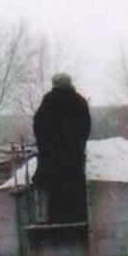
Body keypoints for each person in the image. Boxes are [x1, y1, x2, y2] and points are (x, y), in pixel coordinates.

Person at [32, 73, 91, 223]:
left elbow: (38, 127)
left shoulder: (48, 102)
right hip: (74, 156)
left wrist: (46, 147)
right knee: (75, 187)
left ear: (55, 84)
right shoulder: (79, 101)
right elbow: (86, 127)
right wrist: (77, 144)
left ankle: (56, 220)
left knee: (55, 190)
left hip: (53, 157)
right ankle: (78, 218)